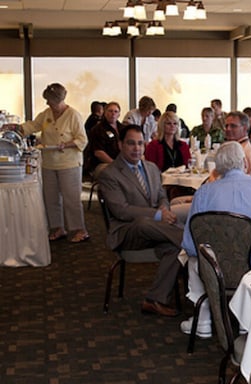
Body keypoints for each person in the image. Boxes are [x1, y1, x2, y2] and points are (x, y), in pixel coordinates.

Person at [180, 141, 251, 336]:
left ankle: (204, 317)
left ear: (217, 167)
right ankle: (247, 317)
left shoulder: (203, 193)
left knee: (192, 255)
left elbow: (190, 245)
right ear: (245, 162)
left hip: (216, 270)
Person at [98, 124, 183, 317]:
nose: (136, 148)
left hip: (156, 230)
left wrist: (163, 208)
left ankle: (154, 300)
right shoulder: (110, 174)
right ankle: (193, 240)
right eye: (131, 144)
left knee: (176, 248)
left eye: (140, 143)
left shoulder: (152, 168)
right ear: (120, 145)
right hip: (128, 232)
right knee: (143, 222)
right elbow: (121, 211)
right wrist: (158, 215)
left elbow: (162, 196)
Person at [12, 83, 90, 243]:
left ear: (59, 100)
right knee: (51, 198)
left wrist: (65, 144)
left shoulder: (73, 115)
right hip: (49, 162)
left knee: (71, 199)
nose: (48, 104)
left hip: (69, 163)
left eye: (50, 101)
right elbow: (33, 126)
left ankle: (79, 229)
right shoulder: (47, 114)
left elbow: (82, 139)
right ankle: (57, 228)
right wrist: (16, 127)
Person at [85, 101, 124, 177]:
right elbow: (98, 153)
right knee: (115, 173)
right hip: (103, 164)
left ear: (119, 114)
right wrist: (114, 164)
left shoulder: (123, 129)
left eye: (116, 111)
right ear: (105, 113)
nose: (113, 113)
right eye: (110, 111)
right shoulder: (97, 129)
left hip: (122, 162)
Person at [224, 111, 251, 176]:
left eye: (233, 126)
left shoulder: (240, 152)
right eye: (226, 126)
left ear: (245, 128)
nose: (228, 129)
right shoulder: (243, 147)